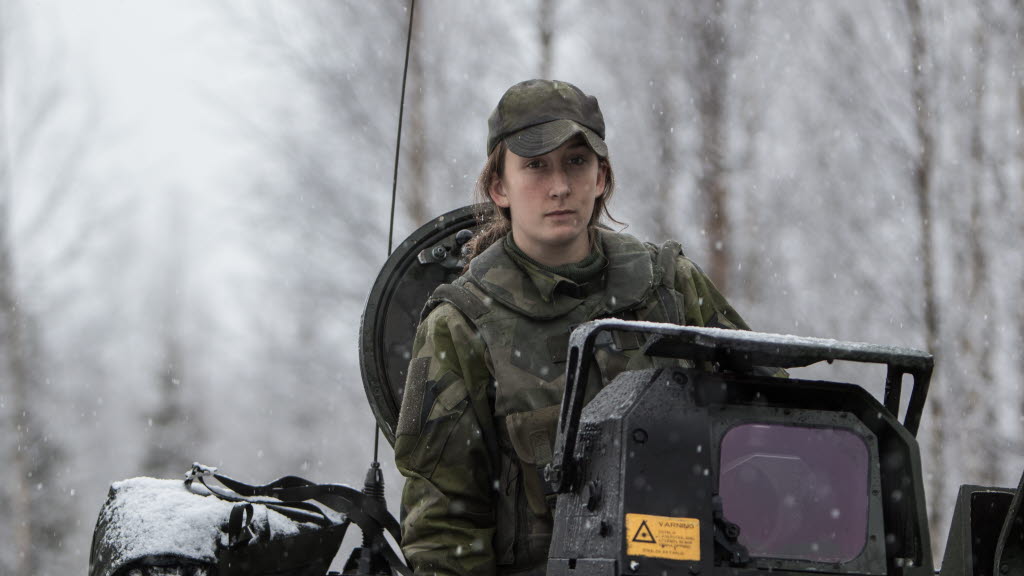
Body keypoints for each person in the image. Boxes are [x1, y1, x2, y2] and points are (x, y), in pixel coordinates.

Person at [394, 79, 756, 576]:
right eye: (536, 165)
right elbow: (443, 532)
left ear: (601, 176)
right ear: (499, 186)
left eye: (577, 162)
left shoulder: (670, 289)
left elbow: (765, 433)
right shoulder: (460, 326)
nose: (559, 185)